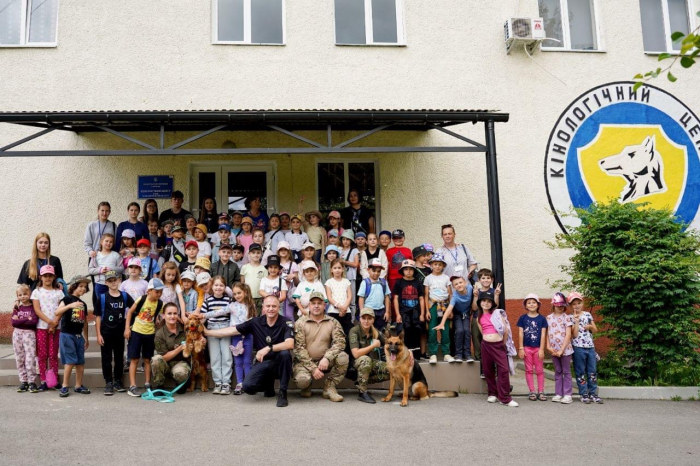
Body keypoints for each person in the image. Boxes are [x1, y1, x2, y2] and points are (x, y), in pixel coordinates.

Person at [204, 295, 294, 408]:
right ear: (263, 307)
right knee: (247, 387)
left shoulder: (286, 322)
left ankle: (282, 392)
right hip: (264, 362)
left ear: (278, 307)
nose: (271, 309)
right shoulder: (255, 322)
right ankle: (268, 385)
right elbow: (232, 330)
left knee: (285, 354)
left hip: (280, 362)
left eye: (274, 306)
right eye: (268, 306)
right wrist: (207, 333)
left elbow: (290, 344)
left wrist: (268, 348)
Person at [293, 292, 348, 402]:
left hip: (325, 361)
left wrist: (327, 358)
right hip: (304, 362)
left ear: (324, 305)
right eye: (313, 303)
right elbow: (299, 348)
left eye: (319, 303)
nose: (316, 306)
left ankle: (329, 387)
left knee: (343, 357)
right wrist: (313, 369)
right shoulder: (300, 323)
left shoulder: (333, 322)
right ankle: (307, 384)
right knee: (302, 381)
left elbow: (340, 343)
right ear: (309, 305)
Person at [124, 278, 165, 397]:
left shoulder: (160, 303)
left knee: (147, 359)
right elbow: (130, 312)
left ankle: (147, 383)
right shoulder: (142, 299)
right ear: (149, 291)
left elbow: (161, 315)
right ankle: (132, 386)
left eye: (161, 292)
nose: (159, 294)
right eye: (157, 291)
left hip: (150, 333)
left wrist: (158, 321)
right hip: (136, 332)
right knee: (134, 359)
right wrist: (127, 328)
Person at [477, 290, 518, 407]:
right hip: (486, 346)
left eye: (489, 301)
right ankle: (492, 393)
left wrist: (502, 344)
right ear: (480, 302)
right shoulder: (479, 317)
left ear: (492, 304)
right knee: (488, 370)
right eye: (484, 301)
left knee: (503, 370)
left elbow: (505, 330)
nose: (486, 303)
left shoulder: (497, 314)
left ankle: (505, 397)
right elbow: (482, 331)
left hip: (498, 345)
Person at [96, 270, 133, 395]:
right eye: (110, 281)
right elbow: (98, 317)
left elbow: (133, 309)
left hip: (120, 331)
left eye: (115, 280)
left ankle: (118, 380)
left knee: (118, 357)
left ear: (119, 280)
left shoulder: (125, 296)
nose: (113, 283)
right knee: (106, 358)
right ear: (106, 282)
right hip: (106, 332)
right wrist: (98, 334)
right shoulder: (102, 297)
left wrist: (129, 327)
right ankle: (108, 382)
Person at [54, 275, 91, 397]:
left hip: (78, 336)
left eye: (85, 287)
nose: (83, 289)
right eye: (81, 286)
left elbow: (84, 322)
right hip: (67, 335)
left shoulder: (83, 304)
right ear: (74, 286)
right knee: (70, 362)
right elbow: (57, 312)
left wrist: (86, 337)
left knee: (80, 362)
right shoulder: (67, 299)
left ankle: (78, 385)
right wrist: (70, 306)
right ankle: (65, 386)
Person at [31, 265, 65, 391]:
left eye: (50, 275)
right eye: (45, 276)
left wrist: (55, 323)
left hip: (56, 327)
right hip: (42, 327)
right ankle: (44, 380)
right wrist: (50, 322)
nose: (48, 278)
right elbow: (37, 309)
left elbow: (61, 309)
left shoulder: (58, 292)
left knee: (53, 354)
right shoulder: (37, 292)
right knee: (42, 354)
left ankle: (54, 380)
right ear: (41, 277)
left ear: (54, 277)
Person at [200, 276, 233, 395]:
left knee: (226, 356)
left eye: (221, 285)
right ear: (212, 287)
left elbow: (232, 316)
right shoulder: (207, 301)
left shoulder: (229, 300)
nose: (218, 288)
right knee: (215, 357)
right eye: (216, 285)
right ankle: (217, 382)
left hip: (225, 328)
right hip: (212, 329)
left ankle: (226, 383)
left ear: (225, 287)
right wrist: (202, 331)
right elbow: (202, 318)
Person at [349, 308, 389, 403]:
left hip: (371, 364)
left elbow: (390, 343)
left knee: (392, 369)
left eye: (369, 318)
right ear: (360, 319)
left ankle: (361, 381)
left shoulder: (375, 332)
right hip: (355, 365)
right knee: (365, 359)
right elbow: (356, 354)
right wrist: (373, 346)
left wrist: (407, 351)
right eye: (364, 318)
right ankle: (362, 392)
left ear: (373, 320)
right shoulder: (354, 331)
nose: (366, 321)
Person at [569, 292, 603, 404]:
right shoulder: (570, 317)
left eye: (579, 303)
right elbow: (574, 334)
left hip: (590, 347)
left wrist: (590, 326)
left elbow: (595, 330)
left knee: (592, 371)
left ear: (582, 303)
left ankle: (593, 393)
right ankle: (583, 393)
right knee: (580, 372)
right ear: (571, 306)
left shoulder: (588, 315)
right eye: (574, 304)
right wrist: (577, 321)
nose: (577, 306)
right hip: (578, 347)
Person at [151, 303, 191, 392]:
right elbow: (164, 357)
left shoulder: (184, 328)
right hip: (165, 364)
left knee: (180, 373)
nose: (172, 316)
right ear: (163, 315)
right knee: (156, 359)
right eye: (169, 313)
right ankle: (159, 386)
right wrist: (180, 348)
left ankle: (180, 382)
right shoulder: (160, 334)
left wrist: (202, 339)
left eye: (175, 313)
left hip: (180, 362)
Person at [434, 275, 474, 363]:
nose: (459, 285)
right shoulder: (455, 296)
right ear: (453, 287)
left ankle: (467, 354)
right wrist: (442, 323)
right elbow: (448, 310)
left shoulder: (471, 289)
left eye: (460, 283)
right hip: (457, 314)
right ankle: (458, 354)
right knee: (459, 331)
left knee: (467, 330)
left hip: (466, 313)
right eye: (456, 284)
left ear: (465, 283)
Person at [517, 293, 548, 401]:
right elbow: (520, 333)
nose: (531, 304)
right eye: (529, 303)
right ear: (525, 305)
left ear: (538, 304)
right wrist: (521, 348)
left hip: (538, 348)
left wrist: (542, 349)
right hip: (526, 348)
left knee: (539, 370)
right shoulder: (522, 318)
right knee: (529, 370)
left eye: (533, 302)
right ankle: (532, 391)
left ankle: (541, 391)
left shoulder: (542, 319)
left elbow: (543, 334)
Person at [423, 253, 454, 364]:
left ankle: (446, 353)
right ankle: (433, 354)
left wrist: (451, 310)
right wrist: (427, 310)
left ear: (443, 266)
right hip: (433, 306)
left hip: (445, 306)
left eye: (440, 264)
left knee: (445, 330)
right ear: (431, 265)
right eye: (435, 264)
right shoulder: (428, 278)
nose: (437, 267)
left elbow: (450, 294)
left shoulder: (446, 278)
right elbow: (426, 295)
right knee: (432, 331)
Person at [392, 259, 424, 360]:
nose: (408, 271)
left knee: (416, 332)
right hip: (403, 313)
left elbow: (421, 298)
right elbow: (395, 299)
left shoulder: (418, 283)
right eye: (406, 269)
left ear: (414, 270)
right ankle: (403, 355)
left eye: (411, 269)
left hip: (416, 313)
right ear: (403, 271)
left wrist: (422, 314)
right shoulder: (399, 283)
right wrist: (397, 314)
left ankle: (416, 356)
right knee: (404, 333)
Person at [228, 282, 256, 395]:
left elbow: (253, 320)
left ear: (245, 292)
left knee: (247, 361)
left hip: (248, 336)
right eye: (234, 294)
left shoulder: (251, 305)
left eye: (239, 293)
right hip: (235, 336)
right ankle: (239, 383)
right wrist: (203, 315)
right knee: (238, 361)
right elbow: (218, 312)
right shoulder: (232, 305)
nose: (237, 296)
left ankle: (247, 383)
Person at [546, 292, 574, 404]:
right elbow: (547, 334)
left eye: (562, 305)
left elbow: (568, 335)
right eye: (558, 305)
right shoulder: (548, 318)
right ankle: (558, 393)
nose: (560, 307)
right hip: (554, 350)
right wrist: (548, 347)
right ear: (553, 305)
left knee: (566, 371)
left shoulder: (567, 318)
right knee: (557, 371)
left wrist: (562, 350)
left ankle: (567, 394)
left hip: (565, 350)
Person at [471, 268, 501, 366]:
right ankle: (480, 365)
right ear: (479, 280)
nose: (486, 280)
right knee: (477, 340)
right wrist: (475, 296)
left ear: (491, 280)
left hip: (490, 320)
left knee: (489, 342)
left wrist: (496, 295)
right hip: (477, 318)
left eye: (488, 278)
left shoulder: (494, 291)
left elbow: (495, 307)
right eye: (483, 278)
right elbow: (474, 308)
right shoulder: (477, 291)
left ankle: (492, 365)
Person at [12, 284, 39, 393]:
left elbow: (33, 322)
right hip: (17, 334)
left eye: (25, 294)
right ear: (17, 296)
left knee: (30, 357)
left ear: (30, 294)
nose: (23, 296)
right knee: (19, 357)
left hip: (29, 334)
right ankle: (23, 381)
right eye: (20, 295)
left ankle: (32, 381)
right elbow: (13, 322)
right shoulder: (17, 307)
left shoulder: (33, 307)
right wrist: (26, 319)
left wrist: (20, 320)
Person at [88, 233, 124, 311]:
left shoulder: (116, 255)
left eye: (111, 242)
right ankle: (101, 321)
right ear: (101, 242)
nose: (108, 243)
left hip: (113, 284)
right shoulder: (96, 255)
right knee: (101, 304)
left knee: (113, 303)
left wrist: (112, 269)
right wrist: (100, 270)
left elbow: (121, 269)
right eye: (106, 241)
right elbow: (90, 270)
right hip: (100, 284)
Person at [357, 258, 391, 332]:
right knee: (368, 330)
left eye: (378, 271)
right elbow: (361, 297)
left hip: (381, 311)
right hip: (368, 310)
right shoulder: (365, 283)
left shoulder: (384, 282)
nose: (376, 273)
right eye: (374, 270)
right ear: (368, 270)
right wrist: (362, 311)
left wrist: (387, 312)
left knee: (381, 331)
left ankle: (379, 343)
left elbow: (387, 297)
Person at [325, 258, 353, 336]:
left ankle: (347, 348)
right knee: (334, 332)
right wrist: (340, 307)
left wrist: (344, 308)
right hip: (333, 311)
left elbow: (349, 296)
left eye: (339, 268)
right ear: (331, 270)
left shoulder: (346, 281)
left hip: (346, 311)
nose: (337, 270)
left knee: (347, 332)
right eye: (335, 268)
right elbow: (329, 297)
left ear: (343, 269)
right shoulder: (329, 282)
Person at [240, 244, 267, 314]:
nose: (256, 255)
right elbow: (242, 283)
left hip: (260, 297)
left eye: (258, 253)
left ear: (261, 253)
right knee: (248, 315)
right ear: (249, 254)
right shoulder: (244, 267)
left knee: (258, 317)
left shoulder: (264, 268)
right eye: (253, 252)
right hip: (248, 296)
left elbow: (266, 283)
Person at [298, 197, 327, 263]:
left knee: (316, 267)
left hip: (317, 250)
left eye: (313, 217)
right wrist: (300, 203)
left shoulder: (322, 230)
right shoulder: (307, 226)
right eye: (310, 217)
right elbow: (301, 216)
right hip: (308, 250)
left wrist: (323, 255)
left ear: (318, 218)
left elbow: (324, 243)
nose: (311, 219)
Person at [277, 242, 299, 321]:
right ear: (278, 251)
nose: (283, 251)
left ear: (288, 251)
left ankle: (290, 332)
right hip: (278, 291)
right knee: (278, 314)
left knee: (289, 315)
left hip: (289, 291)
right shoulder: (276, 263)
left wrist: (294, 276)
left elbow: (297, 283)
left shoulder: (293, 264)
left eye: (285, 249)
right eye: (281, 250)